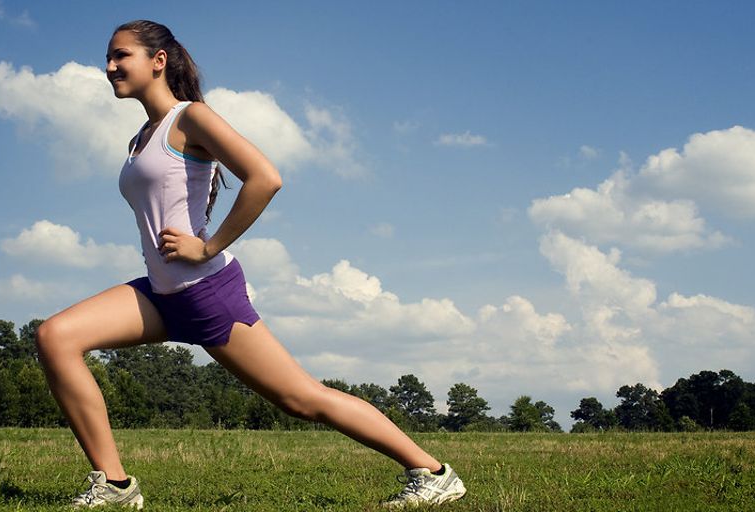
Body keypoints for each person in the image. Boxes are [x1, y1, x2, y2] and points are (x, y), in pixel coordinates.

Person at [34, 19, 467, 509]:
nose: (109, 66)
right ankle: (114, 485)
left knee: (302, 399)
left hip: (205, 291)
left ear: (158, 61)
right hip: (160, 293)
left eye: (121, 56)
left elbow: (265, 177)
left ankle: (433, 472)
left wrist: (208, 245)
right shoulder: (142, 137)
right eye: (108, 58)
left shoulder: (190, 118)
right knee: (56, 336)